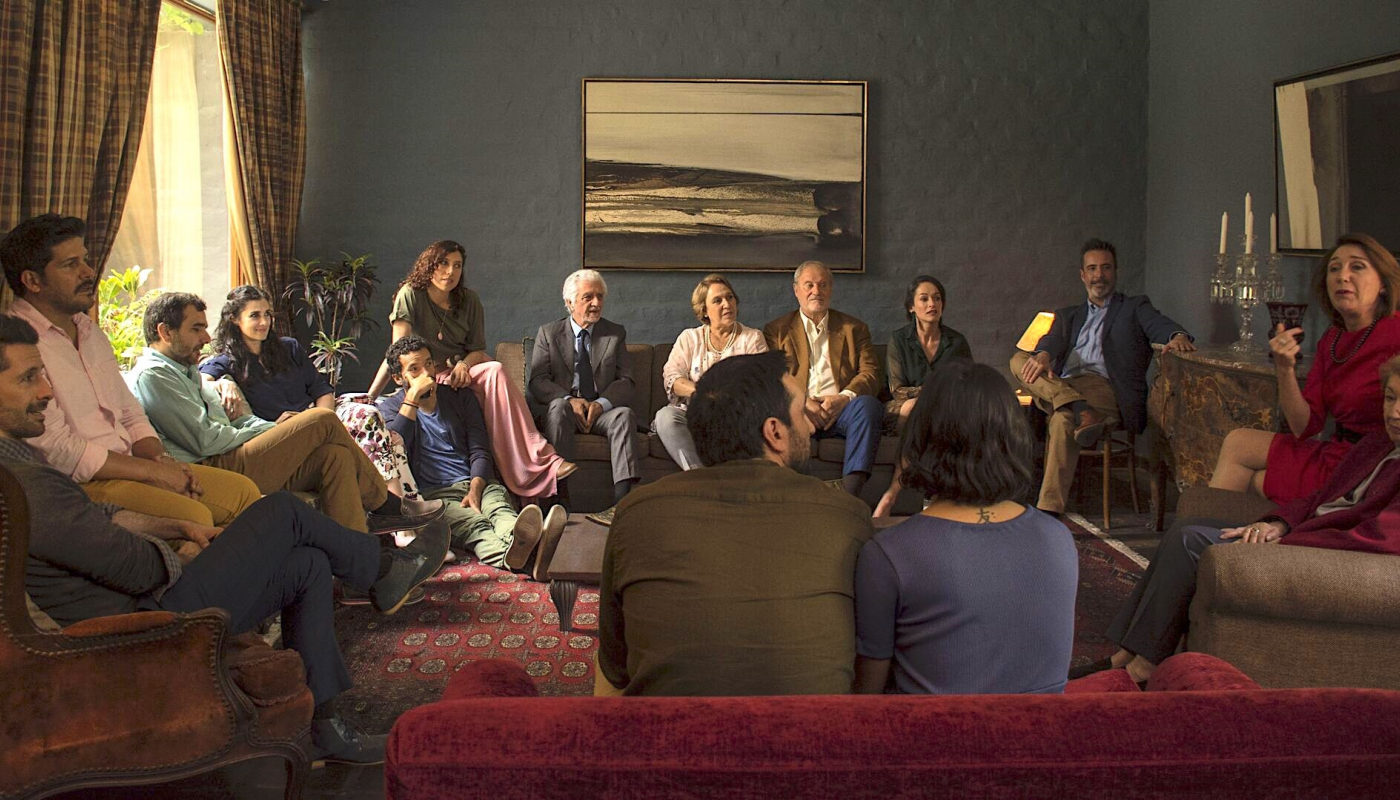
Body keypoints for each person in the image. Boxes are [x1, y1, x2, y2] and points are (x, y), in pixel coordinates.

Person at [0, 313, 449, 764]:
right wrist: (183, 555)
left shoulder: (23, 465)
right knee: (283, 512)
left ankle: (326, 729)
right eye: (28, 377)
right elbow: (132, 568)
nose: (46, 390)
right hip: (139, 627)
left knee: (308, 565)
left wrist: (178, 528)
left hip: (148, 602)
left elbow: (102, 518)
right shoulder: (23, 484)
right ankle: (382, 569)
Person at [1087, 353, 1400, 686]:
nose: (1395, 412)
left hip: (1325, 558)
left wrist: (1286, 541)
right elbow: (1320, 498)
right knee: (1183, 528)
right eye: (1391, 397)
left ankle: (1142, 669)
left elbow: (1376, 538)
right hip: (1301, 534)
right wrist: (1277, 523)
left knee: (1190, 541)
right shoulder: (1377, 443)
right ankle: (1125, 655)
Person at [598, 352, 875, 696]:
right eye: (800, 413)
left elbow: (614, 667)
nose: (809, 426)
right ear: (775, 432)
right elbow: (869, 661)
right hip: (812, 728)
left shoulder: (635, 513)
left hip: (670, 729)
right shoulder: (849, 517)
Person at [0, 213, 260, 527]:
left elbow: (129, 412)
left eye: (85, 260)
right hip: (80, 483)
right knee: (196, 515)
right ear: (32, 281)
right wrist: (151, 472)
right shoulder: (16, 342)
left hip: (132, 465)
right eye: (70, 264)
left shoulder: (89, 331)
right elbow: (58, 450)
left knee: (244, 491)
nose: (88, 272)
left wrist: (160, 461)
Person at [128, 292, 444, 534]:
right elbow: (207, 440)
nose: (206, 338)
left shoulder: (186, 369)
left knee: (335, 456)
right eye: (196, 328)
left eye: (267, 314)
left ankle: (361, 562)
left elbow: (240, 419)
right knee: (321, 419)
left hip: (238, 449)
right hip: (215, 465)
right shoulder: (155, 376)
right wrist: (270, 429)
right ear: (164, 332)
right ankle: (386, 504)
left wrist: (273, 425)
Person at [854, 361, 1077, 695]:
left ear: (921, 437)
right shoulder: (1059, 538)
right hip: (1043, 728)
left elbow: (866, 694)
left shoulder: (888, 554)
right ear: (1014, 437)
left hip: (932, 727)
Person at [366, 240, 573, 500]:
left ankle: (541, 461)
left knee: (495, 370)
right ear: (428, 265)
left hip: (464, 369)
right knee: (490, 373)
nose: (450, 272)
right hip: (427, 374)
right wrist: (371, 395)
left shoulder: (469, 300)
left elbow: (476, 350)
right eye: (443, 263)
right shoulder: (411, 294)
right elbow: (397, 353)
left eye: (457, 266)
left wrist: (464, 365)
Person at [1209, 233, 1400, 503]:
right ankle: (1207, 526)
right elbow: (1304, 426)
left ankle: (1210, 526)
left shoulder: (1396, 333)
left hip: (1372, 462)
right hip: (1338, 451)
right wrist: (1284, 368)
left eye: (1357, 267)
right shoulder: (1332, 339)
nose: (1342, 276)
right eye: (1334, 269)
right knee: (1238, 441)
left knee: (1256, 481)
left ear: (1383, 285)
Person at [1011, 238, 1195, 515]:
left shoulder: (1134, 307)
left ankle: (1048, 511)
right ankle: (1081, 409)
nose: (1099, 275)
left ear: (1115, 272)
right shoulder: (1068, 315)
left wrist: (1177, 335)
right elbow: (1051, 340)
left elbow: (1159, 324)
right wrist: (1044, 354)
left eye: (1106, 267)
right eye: (1092, 268)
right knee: (1018, 359)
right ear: (1082, 275)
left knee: (1062, 418)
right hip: (1065, 384)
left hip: (1105, 388)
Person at [202, 285, 420, 499]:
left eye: (267, 314)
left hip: (322, 417)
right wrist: (223, 384)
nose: (264, 322)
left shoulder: (289, 348)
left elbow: (321, 390)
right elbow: (198, 381)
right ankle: (394, 504)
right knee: (375, 438)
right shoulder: (227, 361)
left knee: (367, 415)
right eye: (255, 315)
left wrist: (323, 421)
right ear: (234, 319)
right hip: (285, 431)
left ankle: (399, 502)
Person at [378, 336, 566, 581]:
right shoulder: (389, 410)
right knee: (476, 526)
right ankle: (531, 556)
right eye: (414, 369)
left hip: (478, 482)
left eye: (429, 364)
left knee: (500, 511)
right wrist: (412, 398)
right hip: (435, 495)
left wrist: (476, 487)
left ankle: (525, 541)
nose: (426, 373)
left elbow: (479, 448)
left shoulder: (459, 397)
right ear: (398, 378)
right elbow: (396, 450)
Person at [763, 261, 883, 498]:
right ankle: (790, 498)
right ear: (796, 290)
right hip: (799, 410)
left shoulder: (854, 328)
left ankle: (849, 495)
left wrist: (844, 398)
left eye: (823, 285)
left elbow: (871, 372)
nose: (816, 291)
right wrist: (803, 402)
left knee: (868, 406)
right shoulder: (776, 330)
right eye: (809, 285)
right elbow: (773, 376)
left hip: (842, 410)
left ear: (831, 289)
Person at [528, 269, 640, 509]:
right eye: (588, 297)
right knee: (558, 407)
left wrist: (601, 404)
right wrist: (569, 400)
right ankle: (558, 499)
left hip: (601, 413)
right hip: (565, 412)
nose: (596, 303)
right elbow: (538, 380)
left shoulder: (615, 333)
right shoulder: (548, 333)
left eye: (600, 297)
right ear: (570, 303)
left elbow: (626, 380)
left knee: (624, 415)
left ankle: (623, 502)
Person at [873, 274, 973, 517]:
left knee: (941, 415)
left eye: (937, 299)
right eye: (924, 299)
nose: (932, 304)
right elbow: (897, 390)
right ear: (911, 306)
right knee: (914, 407)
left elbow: (966, 385)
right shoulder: (899, 340)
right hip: (902, 409)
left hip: (944, 410)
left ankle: (893, 494)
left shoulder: (956, 342)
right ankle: (928, 497)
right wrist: (936, 390)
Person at [654, 273, 767, 470]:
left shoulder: (752, 339)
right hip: (693, 415)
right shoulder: (689, 338)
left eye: (730, 297)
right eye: (717, 300)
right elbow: (672, 377)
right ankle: (699, 474)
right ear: (704, 310)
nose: (727, 304)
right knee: (665, 417)